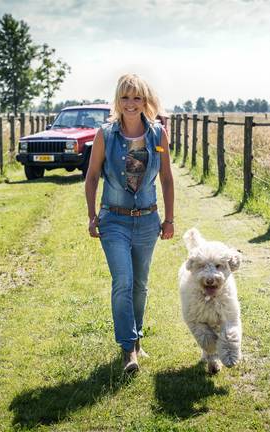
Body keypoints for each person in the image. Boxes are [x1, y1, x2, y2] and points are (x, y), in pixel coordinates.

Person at [85, 74, 175, 373]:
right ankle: (128, 350)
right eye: (125, 97)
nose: (131, 103)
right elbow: (93, 176)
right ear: (118, 101)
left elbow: (166, 178)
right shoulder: (105, 135)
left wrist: (169, 219)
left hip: (148, 221)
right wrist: (91, 214)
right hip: (114, 220)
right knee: (122, 282)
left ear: (145, 101)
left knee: (140, 285)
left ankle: (137, 342)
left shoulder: (157, 135)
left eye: (137, 97)